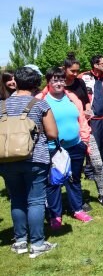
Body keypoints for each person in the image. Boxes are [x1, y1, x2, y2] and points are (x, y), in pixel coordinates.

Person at [0, 67, 58, 258]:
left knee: (17, 199)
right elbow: (52, 134)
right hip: (35, 158)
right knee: (35, 201)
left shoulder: (2, 106)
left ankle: (20, 241)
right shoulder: (40, 105)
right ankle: (38, 244)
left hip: (7, 159)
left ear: (15, 81)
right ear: (36, 84)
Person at [39, 67, 94, 227]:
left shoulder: (72, 98)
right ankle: (55, 215)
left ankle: (77, 209)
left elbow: (82, 120)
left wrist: (84, 141)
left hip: (76, 146)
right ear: (48, 81)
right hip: (52, 149)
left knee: (74, 179)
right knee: (53, 182)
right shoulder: (41, 100)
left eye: (61, 79)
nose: (59, 83)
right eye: (55, 79)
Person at [73, 54, 103, 208]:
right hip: (90, 119)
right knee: (90, 147)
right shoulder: (83, 77)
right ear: (95, 65)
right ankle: (89, 172)